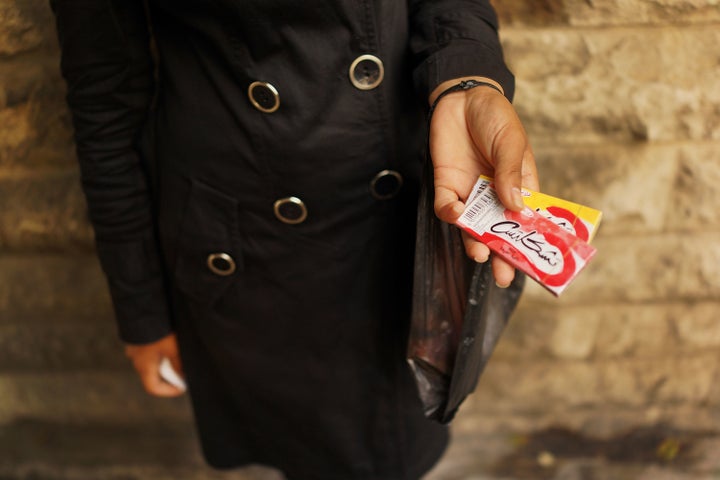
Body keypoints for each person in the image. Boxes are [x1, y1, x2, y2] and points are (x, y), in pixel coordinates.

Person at [51, 1, 538, 479]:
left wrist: (467, 78)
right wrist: (142, 307)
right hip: (253, 242)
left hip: (394, 227)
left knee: (398, 445)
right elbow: (106, 99)